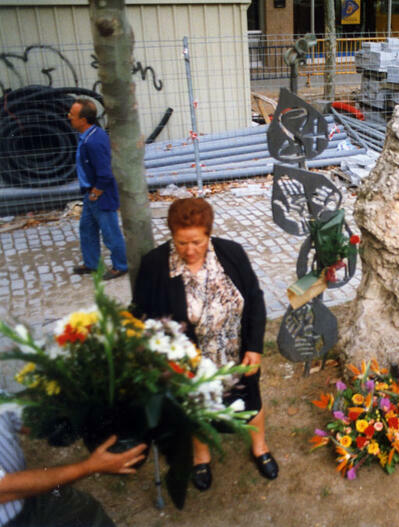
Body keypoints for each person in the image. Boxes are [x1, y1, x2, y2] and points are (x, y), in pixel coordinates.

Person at [132, 198, 277, 491]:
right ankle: (201, 455)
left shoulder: (231, 254)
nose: (189, 249)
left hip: (235, 352)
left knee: (252, 401)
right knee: (196, 409)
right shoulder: (155, 265)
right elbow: (142, 315)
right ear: (172, 234)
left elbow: (255, 298)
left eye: (196, 242)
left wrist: (254, 347)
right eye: (181, 242)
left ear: (208, 234)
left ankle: (259, 447)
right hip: (190, 364)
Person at [0, 406, 147, 527]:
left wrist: (76, 411)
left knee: (87, 513)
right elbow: (5, 488)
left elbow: (26, 420)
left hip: (32, 496)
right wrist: (89, 467)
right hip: (9, 518)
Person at [68, 99, 128, 281]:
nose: (68, 116)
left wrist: (96, 193)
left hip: (100, 195)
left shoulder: (93, 141)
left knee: (110, 232)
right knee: (86, 229)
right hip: (90, 194)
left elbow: (106, 173)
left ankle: (121, 265)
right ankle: (92, 263)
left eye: (72, 114)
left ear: (84, 120)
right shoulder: (89, 135)